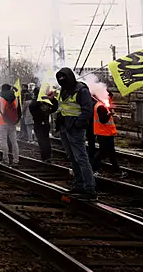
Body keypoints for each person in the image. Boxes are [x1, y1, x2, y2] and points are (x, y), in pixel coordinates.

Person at [49, 67, 96, 200]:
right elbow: (60, 107)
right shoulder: (63, 90)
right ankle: (79, 183)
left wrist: (77, 124)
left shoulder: (81, 90)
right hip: (64, 127)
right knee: (72, 157)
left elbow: (87, 110)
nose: (61, 81)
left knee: (81, 158)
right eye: (59, 79)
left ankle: (89, 188)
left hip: (75, 129)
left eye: (63, 78)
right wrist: (53, 100)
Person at [92, 92, 124, 177]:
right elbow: (103, 120)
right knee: (103, 152)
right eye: (111, 98)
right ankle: (94, 169)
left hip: (106, 133)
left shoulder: (102, 105)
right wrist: (110, 114)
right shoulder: (101, 106)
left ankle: (116, 170)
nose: (111, 100)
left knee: (110, 152)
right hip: (103, 133)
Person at [0, 83, 20, 166]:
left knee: (3, 141)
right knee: (14, 142)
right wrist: (16, 121)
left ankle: (6, 159)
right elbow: (19, 111)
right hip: (12, 123)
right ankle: (16, 159)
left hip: (2, 122)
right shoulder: (16, 97)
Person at [30, 88, 53, 162]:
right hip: (46, 123)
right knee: (46, 139)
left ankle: (44, 156)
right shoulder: (46, 101)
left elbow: (32, 109)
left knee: (41, 140)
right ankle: (48, 156)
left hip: (38, 123)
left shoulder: (34, 103)